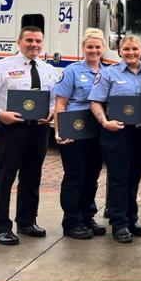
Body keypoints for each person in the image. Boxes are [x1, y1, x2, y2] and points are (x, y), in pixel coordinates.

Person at [0, 26, 58, 245]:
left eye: (38, 41)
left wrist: (50, 113)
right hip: (11, 129)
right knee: (5, 177)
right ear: (18, 42)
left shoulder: (49, 70)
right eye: (29, 40)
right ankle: (0, 226)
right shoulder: (1, 67)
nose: (34, 45)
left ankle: (27, 221)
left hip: (38, 130)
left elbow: (53, 99)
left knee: (32, 176)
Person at [88, 35, 141, 243]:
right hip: (116, 132)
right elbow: (95, 102)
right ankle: (118, 223)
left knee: (134, 177)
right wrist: (105, 122)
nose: (131, 53)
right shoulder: (108, 74)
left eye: (135, 49)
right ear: (120, 51)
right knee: (118, 178)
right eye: (127, 49)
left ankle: (132, 218)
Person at [53, 28, 107, 240]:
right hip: (74, 132)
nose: (93, 50)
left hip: (97, 132)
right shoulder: (72, 71)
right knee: (75, 176)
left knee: (92, 176)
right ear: (83, 48)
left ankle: (87, 216)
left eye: (97, 46)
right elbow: (60, 103)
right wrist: (60, 130)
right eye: (89, 46)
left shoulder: (108, 72)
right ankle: (71, 221)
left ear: (103, 48)